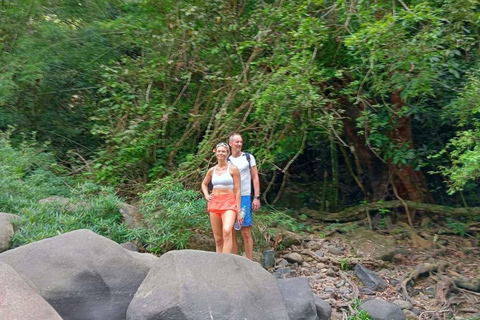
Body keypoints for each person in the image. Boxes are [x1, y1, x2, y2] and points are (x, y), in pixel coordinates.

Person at [201, 142, 242, 254]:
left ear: (228, 153)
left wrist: (238, 210)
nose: (221, 153)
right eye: (219, 151)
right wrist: (206, 195)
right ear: (215, 152)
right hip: (215, 202)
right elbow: (204, 184)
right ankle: (219, 263)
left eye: (223, 151)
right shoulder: (212, 170)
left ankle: (226, 261)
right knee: (218, 239)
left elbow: (238, 190)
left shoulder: (233, 169)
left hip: (229, 202)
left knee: (227, 230)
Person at [228, 133, 260, 260]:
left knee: (245, 230)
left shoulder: (248, 157)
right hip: (230, 198)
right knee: (232, 231)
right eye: (236, 142)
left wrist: (256, 197)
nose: (239, 144)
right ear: (230, 143)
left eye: (241, 142)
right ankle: (236, 261)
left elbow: (255, 177)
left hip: (245, 196)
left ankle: (249, 261)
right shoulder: (227, 160)